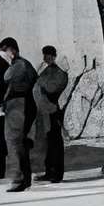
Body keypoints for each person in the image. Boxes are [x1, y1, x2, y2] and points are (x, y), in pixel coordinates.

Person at [0, 37, 39, 190]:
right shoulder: (24, 64)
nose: (3, 55)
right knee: (19, 144)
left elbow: (8, 79)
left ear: (12, 50)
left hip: (18, 107)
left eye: (4, 51)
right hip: (21, 106)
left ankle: (18, 179)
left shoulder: (19, 65)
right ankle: (24, 179)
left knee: (14, 142)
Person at [34, 46, 70, 183]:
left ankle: (56, 174)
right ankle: (49, 172)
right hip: (46, 110)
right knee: (49, 142)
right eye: (44, 55)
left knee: (55, 142)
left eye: (47, 56)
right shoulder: (47, 71)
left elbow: (50, 88)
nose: (45, 58)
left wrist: (40, 82)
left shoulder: (59, 73)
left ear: (53, 56)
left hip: (54, 110)